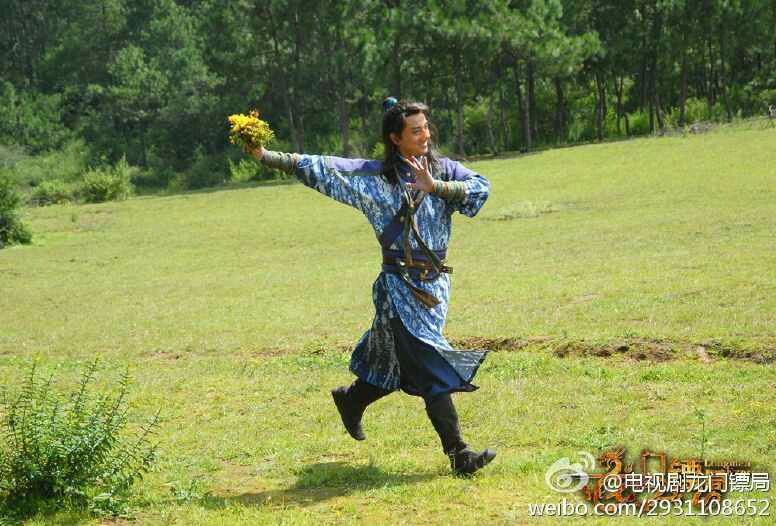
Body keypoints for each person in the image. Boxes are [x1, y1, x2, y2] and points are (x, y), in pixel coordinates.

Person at [249, 98, 495, 476]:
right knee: (429, 365)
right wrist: (267, 156)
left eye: (426, 128)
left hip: (435, 290)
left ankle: (352, 399)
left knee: (403, 366)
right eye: (416, 130)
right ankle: (459, 454)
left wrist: (437, 187)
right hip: (399, 289)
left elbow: (481, 189)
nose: (426, 135)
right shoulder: (373, 178)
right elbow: (324, 167)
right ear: (395, 138)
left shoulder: (445, 169)